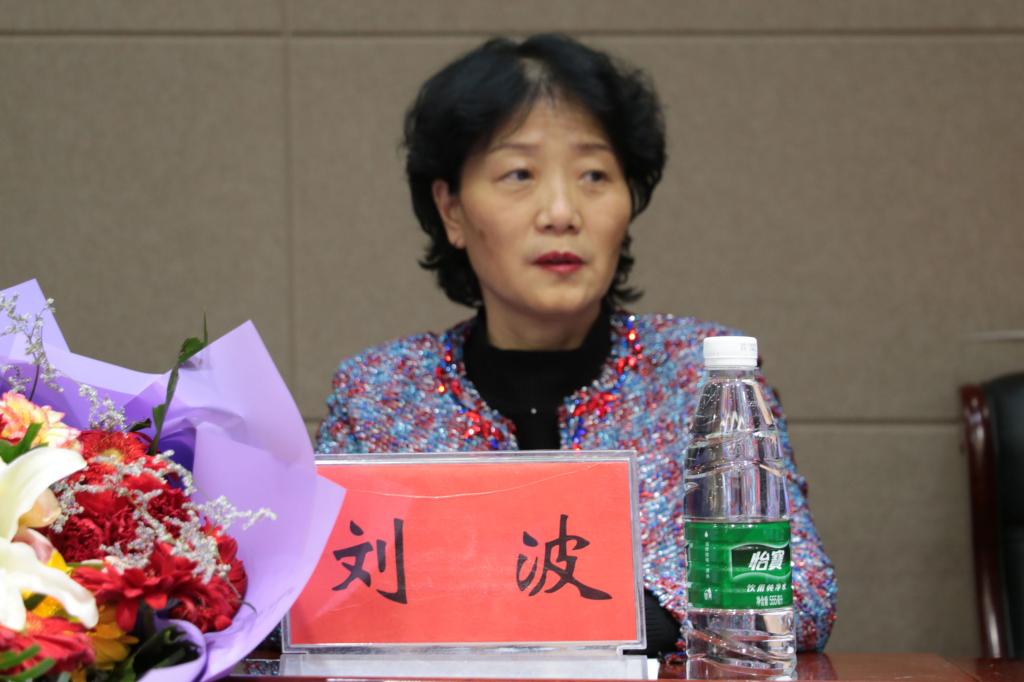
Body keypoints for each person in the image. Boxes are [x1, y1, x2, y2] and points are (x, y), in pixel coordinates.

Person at [315, 33, 836, 656]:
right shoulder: (380, 393)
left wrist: (635, 619)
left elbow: (800, 593)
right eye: (519, 174)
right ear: (451, 208)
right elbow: (322, 606)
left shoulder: (706, 377)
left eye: (594, 175)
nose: (562, 211)